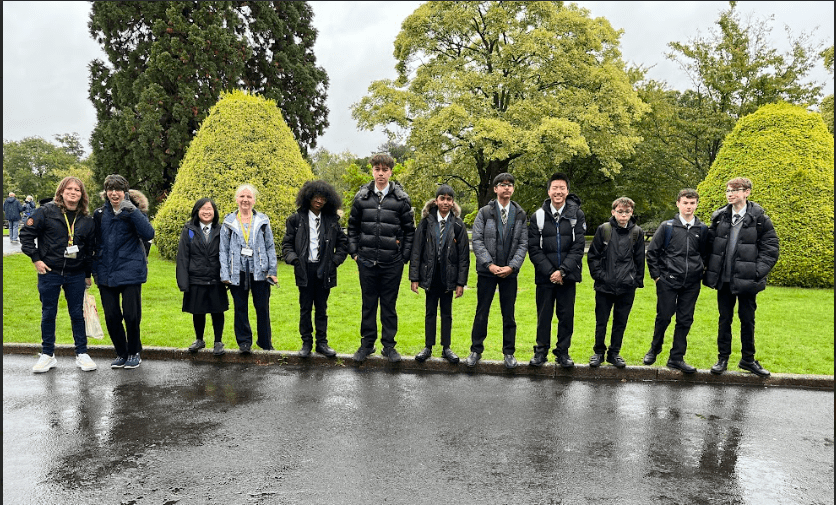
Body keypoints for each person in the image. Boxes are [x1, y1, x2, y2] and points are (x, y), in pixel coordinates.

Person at [20, 177, 98, 373]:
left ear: (82, 195)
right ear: (61, 192)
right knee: (48, 313)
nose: (73, 192)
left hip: (76, 274)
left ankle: (82, 353)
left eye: (77, 190)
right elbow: (26, 235)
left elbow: (89, 249)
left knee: (76, 314)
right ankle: (47, 354)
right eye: (69, 189)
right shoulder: (46, 212)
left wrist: (87, 274)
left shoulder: (87, 220)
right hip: (50, 272)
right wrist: (36, 259)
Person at [703, 177, 780, 377]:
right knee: (724, 319)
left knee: (747, 320)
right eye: (728, 190)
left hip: (748, 281)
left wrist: (756, 272)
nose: (730, 193)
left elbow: (771, 249)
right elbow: (709, 245)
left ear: (747, 192)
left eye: (735, 190)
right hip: (724, 280)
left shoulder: (760, 218)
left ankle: (748, 359)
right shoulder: (719, 217)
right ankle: (722, 359)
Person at [347, 153, 416, 363]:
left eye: (384, 170)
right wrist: (355, 253)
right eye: (377, 169)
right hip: (366, 261)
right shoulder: (361, 198)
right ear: (372, 171)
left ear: (391, 172)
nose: (380, 174)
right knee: (368, 304)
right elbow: (352, 228)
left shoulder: (401, 199)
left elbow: (409, 231)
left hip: (391, 263)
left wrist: (403, 257)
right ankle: (367, 345)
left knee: (388, 305)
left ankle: (389, 346)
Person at [93, 174, 155, 370]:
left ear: (125, 192)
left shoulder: (134, 211)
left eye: (118, 189)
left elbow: (148, 233)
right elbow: (94, 242)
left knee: (131, 315)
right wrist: (93, 270)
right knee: (111, 316)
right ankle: (121, 352)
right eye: (110, 189)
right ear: (106, 192)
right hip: (106, 272)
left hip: (130, 271)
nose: (114, 193)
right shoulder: (100, 213)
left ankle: (134, 351)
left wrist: (134, 212)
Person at [644, 188, 709, 374]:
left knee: (685, 319)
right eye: (685, 203)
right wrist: (657, 277)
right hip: (668, 281)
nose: (689, 207)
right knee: (664, 316)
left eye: (692, 203)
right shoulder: (668, 227)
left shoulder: (702, 229)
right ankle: (654, 349)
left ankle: (676, 357)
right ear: (678, 204)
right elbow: (652, 253)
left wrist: (699, 271)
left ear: (697, 204)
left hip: (691, 283)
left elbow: (705, 253)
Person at [467, 173, 528, 369]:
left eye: (510, 185)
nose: (507, 188)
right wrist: (490, 265)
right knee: (481, 312)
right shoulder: (484, 212)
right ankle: (476, 350)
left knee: (508, 314)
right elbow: (476, 240)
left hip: (509, 273)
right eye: (502, 185)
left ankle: (509, 353)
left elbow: (523, 243)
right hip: (487, 273)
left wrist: (512, 267)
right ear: (495, 189)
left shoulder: (519, 214)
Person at [282, 180, 348, 358]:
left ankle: (322, 343)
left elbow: (343, 243)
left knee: (321, 308)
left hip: (324, 269)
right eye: (316, 197)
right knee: (305, 308)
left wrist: (335, 261)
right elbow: (287, 244)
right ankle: (306, 343)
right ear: (308, 197)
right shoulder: (296, 219)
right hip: (304, 269)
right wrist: (294, 260)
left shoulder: (332, 220)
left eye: (323, 198)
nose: (319, 200)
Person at [527, 172, 586, 369]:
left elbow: (578, 248)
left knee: (566, 316)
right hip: (545, 278)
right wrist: (551, 272)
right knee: (543, 316)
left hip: (567, 277)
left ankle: (563, 352)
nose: (558, 192)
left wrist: (562, 271)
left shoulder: (577, 215)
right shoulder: (539, 216)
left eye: (562, 188)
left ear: (567, 191)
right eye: (555, 188)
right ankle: (541, 351)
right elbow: (533, 249)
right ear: (549, 191)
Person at [409, 184, 470, 364]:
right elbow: (416, 251)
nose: (445, 202)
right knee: (430, 312)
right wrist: (414, 277)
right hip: (430, 275)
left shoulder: (458, 224)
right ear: (436, 201)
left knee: (446, 313)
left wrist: (461, 282)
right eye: (442, 198)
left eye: (449, 199)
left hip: (448, 276)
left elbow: (464, 257)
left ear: (452, 203)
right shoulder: (426, 222)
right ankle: (428, 347)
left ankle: (446, 347)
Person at [586, 197, 645, 368]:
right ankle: (598, 352)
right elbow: (593, 256)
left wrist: (636, 280)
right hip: (605, 285)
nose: (623, 215)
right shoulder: (604, 230)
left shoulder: (637, 233)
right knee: (601, 321)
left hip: (627, 286)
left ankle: (614, 353)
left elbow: (640, 259)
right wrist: (600, 276)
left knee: (621, 321)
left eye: (627, 212)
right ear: (613, 212)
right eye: (620, 211)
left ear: (631, 213)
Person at [219, 184, 278, 354]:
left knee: (262, 308)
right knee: (240, 308)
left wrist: (272, 271)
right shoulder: (228, 222)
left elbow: (270, 247)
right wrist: (225, 273)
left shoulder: (263, 221)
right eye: (242, 196)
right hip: (237, 272)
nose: (245, 200)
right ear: (237, 199)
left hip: (260, 271)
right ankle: (244, 342)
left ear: (254, 200)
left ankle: (265, 342)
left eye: (249, 197)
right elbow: (223, 249)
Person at [176, 198, 229, 356]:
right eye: (203, 209)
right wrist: (183, 282)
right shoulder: (190, 230)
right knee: (197, 311)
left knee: (217, 310)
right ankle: (199, 339)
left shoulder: (221, 230)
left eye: (210, 209)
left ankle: (218, 341)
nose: (206, 212)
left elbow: (227, 254)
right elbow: (183, 257)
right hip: (196, 278)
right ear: (197, 211)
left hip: (216, 277)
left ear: (215, 212)